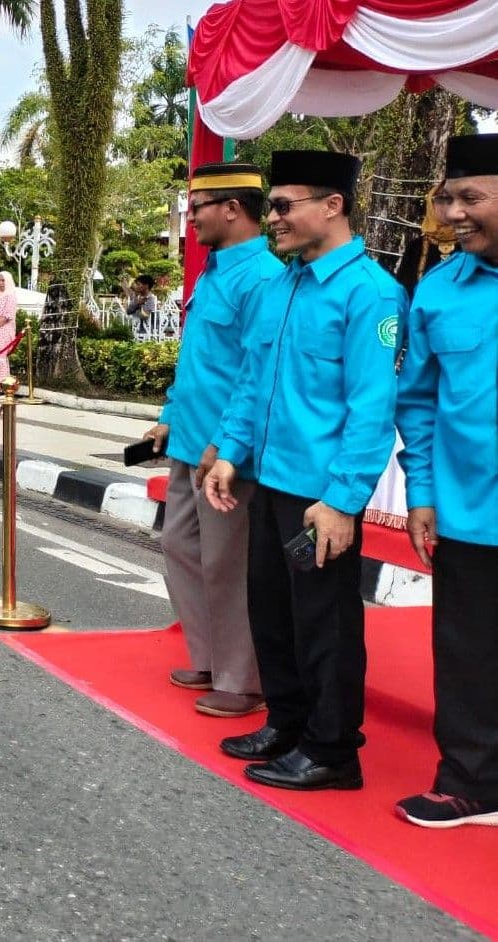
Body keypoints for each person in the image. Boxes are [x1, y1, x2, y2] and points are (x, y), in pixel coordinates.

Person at [204, 150, 404, 791]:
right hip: (270, 480)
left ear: (333, 206)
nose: (274, 220)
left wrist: (344, 501)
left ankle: (332, 749)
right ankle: (287, 723)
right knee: (272, 610)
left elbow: (371, 411)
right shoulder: (280, 286)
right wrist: (230, 452)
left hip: (320, 494)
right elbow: (249, 380)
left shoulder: (370, 294)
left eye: (285, 206)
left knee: (326, 623)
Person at [142, 162, 282, 719]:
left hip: (226, 455)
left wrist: (227, 444)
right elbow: (197, 359)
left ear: (231, 208)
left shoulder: (263, 278)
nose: (190, 216)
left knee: (229, 563)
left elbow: (256, 372)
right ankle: (207, 654)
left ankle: (241, 678)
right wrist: (169, 415)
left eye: (197, 206)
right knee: (180, 547)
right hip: (188, 441)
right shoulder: (212, 272)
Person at [393, 134, 498, 828]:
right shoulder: (436, 290)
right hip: (467, 508)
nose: (453, 212)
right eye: (446, 198)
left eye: (470, 197)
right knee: (466, 652)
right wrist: (422, 492)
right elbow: (417, 401)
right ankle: (469, 781)